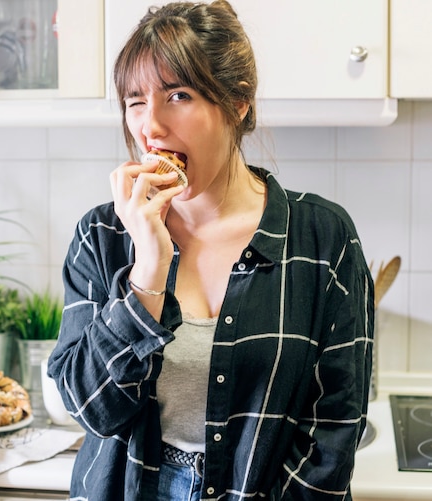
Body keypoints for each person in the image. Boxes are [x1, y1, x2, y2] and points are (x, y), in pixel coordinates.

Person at [47, 1, 374, 499]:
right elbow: (89, 407)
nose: (149, 126)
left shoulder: (322, 238)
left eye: (177, 95)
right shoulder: (103, 235)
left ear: (238, 101)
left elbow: (333, 432)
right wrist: (149, 271)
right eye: (135, 100)